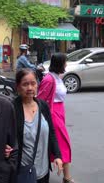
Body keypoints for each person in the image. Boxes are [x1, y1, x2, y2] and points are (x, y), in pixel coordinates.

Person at [12, 69, 63, 183]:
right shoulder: (12, 109)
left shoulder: (43, 106)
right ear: (18, 87)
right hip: (22, 172)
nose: (30, 88)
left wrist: (57, 156)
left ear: (37, 85)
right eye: (25, 84)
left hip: (43, 172)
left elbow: (52, 133)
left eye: (33, 83)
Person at [38, 53, 75, 183]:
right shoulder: (49, 79)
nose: (66, 64)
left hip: (59, 113)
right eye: (65, 62)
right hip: (53, 115)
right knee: (63, 144)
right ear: (60, 63)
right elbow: (40, 99)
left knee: (57, 144)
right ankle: (67, 177)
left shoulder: (57, 77)